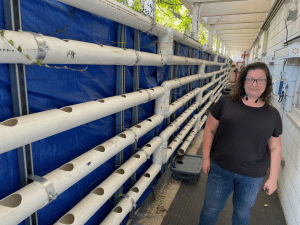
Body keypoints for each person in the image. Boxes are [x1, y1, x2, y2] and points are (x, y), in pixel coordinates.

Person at [198, 62, 283, 225]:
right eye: (250, 79)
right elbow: (209, 129)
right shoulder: (225, 103)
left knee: (242, 212)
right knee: (210, 208)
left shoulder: (273, 115)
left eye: (260, 80)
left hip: (252, 175)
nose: (255, 84)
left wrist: (273, 178)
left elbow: (275, 146)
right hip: (220, 169)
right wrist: (205, 158)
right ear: (243, 81)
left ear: (267, 84)